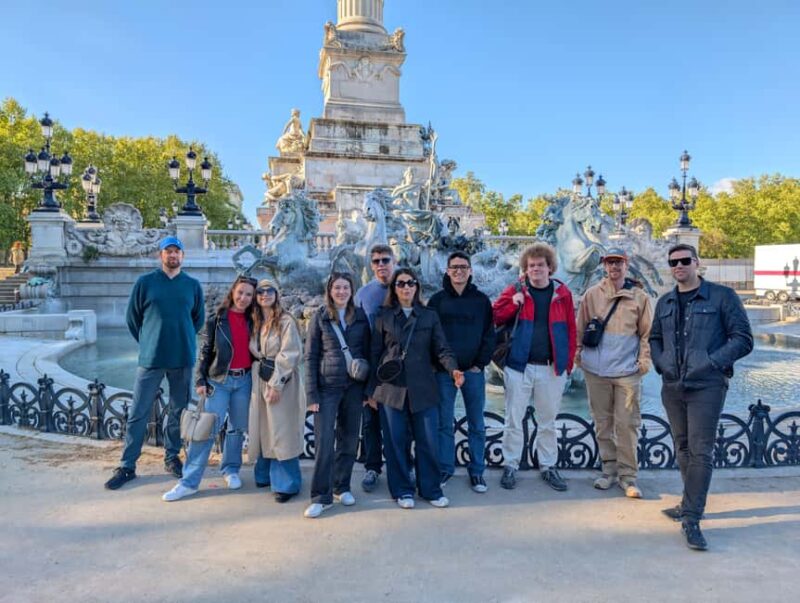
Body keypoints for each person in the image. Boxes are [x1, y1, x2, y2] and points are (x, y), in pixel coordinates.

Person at [650, 243, 753, 551]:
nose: (678, 266)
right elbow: (654, 337)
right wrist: (661, 362)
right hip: (673, 384)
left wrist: (710, 362)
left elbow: (743, 339)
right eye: (673, 262)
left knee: (701, 450)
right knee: (681, 446)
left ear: (696, 262)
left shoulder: (722, 297)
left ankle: (692, 517)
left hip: (707, 385)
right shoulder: (665, 301)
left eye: (684, 260)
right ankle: (688, 502)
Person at [104, 236, 205, 490]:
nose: (173, 255)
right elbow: (132, 318)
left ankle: (172, 457)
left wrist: (179, 338)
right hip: (151, 359)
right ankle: (127, 465)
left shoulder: (192, 285)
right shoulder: (145, 283)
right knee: (138, 412)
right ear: (160, 255)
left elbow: (198, 320)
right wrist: (149, 341)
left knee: (178, 411)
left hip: (182, 358)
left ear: (182, 256)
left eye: (177, 252)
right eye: (168, 251)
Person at [366, 268, 464, 509]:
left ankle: (430, 490)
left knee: (428, 441)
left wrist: (453, 369)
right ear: (394, 288)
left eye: (411, 283)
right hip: (391, 389)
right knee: (395, 442)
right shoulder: (384, 316)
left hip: (423, 388)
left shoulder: (429, 316)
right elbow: (375, 354)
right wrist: (370, 392)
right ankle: (402, 491)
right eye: (401, 283)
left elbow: (442, 349)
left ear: (417, 287)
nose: (406, 287)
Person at [162, 275, 257, 502]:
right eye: (240, 292)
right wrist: (200, 379)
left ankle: (231, 469)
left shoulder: (255, 320)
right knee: (206, 431)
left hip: (244, 381)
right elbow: (205, 351)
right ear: (233, 291)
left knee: (236, 429)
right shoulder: (217, 319)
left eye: (249, 295)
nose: (243, 298)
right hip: (219, 381)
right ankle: (189, 482)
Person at [492, 243, 576, 492]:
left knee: (547, 421)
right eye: (531, 266)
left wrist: (568, 364)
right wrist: (513, 303)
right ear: (525, 269)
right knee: (513, 418)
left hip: (551, 368)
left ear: (550, 267)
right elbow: (495, 316)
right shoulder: (516, 289)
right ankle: (510, 464)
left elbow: (571, 329)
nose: (536, 269)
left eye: (540, 265)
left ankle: (548, 466)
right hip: (519, 366)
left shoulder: (562, 293)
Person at [575, 248, 653, 498]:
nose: (614, 267)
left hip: (626, 372)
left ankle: (628, 476)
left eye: (618, 262)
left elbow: (647, 333)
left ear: (626, 265)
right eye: (610, 263)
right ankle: (608, 470)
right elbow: (579, 327)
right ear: (604, 266)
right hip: (596, 371)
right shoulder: (591, 295)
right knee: (602, 423)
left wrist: (644, 361)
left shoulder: (639, 297)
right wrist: (578, 355)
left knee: (627, 423)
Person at [304, 272, 371, 518]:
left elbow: (368, 352)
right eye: (337, 288)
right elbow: (310, 356)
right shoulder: (320, 317)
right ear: (330, 291)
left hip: (353, 387)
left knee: (350, 439)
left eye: (346, 287)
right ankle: (320, 496)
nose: (341, 292)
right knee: (323, 442)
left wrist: (367, 390)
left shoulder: (360, 316)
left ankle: (341, 486)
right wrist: (311, 395)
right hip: (326, 388)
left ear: (352, 291)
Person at [428, 251, 495, 493]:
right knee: (444, 423)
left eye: (463, 267)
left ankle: (477, 471)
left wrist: (480, 363)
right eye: (454, 267)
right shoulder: (437, 301)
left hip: (473, 371)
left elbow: (490, 334)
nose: (459, 271)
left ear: (470, 271)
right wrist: (439, 364)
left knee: (477, 423)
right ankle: (446, 467)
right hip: (444, 373)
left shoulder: (481, 300)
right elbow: (431, 336)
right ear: (447, 270)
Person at [249, 278, 306, 503]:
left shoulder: (285, 321)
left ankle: (287, 483)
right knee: (263, 427)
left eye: (269, 290)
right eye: (260, 291)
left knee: (281, 430)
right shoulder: (255, 320)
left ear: (277, 293)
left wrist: (276, 384)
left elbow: (291, 353)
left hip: (281, 379)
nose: (264, 294)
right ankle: (263, 474)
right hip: (260, 376)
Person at [354, 244, 395, 492]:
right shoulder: (362, 294)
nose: (381, 264)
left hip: (398, 367)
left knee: (399, 422)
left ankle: (401, 466)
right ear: (371, 265)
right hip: (371, 365)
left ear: (394, 260)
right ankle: (372, 467)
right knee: (371, 420)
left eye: (385, 260)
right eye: (377, 261)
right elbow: (357, 333)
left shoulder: (404, 286)